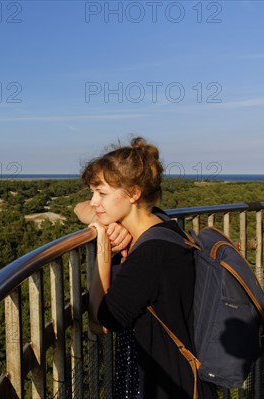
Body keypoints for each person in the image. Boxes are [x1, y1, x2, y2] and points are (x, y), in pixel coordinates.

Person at [77, 137, 217, 399]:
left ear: (133, 193)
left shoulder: (151, 255)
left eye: (102, 193)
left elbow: (101, 323)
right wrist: (109, 225)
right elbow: (81, 209)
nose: (94, 202)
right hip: (185, 377)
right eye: (93, 192)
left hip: (166, 385)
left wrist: (102, 253)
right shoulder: (164, 226)